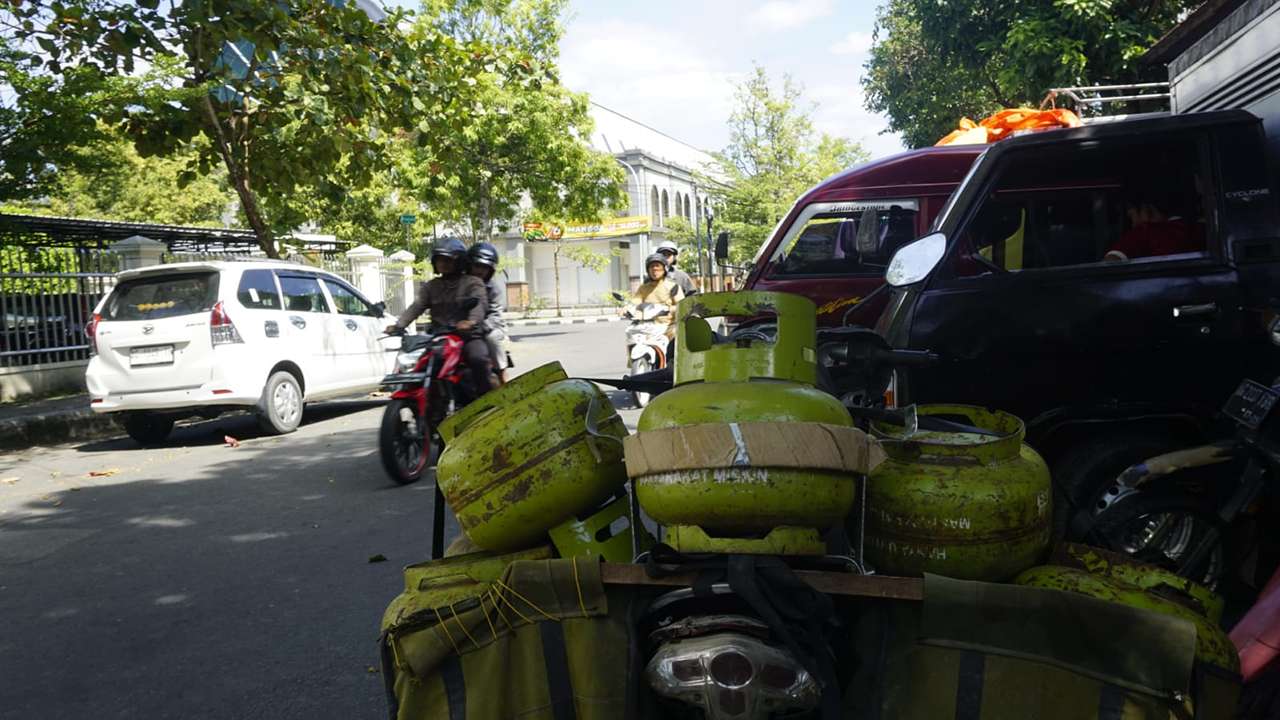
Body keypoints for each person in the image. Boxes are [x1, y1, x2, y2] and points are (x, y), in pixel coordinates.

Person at [385, 237, 493, 395]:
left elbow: (479, 305)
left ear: (460, 262)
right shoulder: (431, 286)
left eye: (448, 260)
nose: (443, 264)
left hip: (468, 337)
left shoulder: (473, 283)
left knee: (478, 359)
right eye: (439, 260)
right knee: (420, 365)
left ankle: (488, 403)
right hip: (439, 338)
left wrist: (471, 321)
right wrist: (399, 325)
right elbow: (417, 307)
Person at [1104, 189, 1203, 262]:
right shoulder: (1202, 229)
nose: (1133, 224)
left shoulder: (1143, 232)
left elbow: (1111, 262)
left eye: (1132, 216)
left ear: (1147, 210)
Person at [466, 241, 511, 384]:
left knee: (492, 338)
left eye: (484, 267)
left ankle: (502, 375)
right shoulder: (461, 284)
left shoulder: (493, 289)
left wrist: (480, 326)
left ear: (490, 270)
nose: (480, 270)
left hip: (489, 327)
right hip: (462, 328)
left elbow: (495, 315)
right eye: (477, 266)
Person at [625, 253, 685, 340]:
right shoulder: (643, 288)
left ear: (664, 269)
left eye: (658, 266)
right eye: (652, 267)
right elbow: (635, 301)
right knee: (631, 333)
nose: (654, 270)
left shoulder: (673, 287)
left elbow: (682, 306)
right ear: (648, 270)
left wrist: (668, 309)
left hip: (667, 325)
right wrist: (627, 308)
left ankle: (670, 354)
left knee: (674, 335)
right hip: (647, 325)